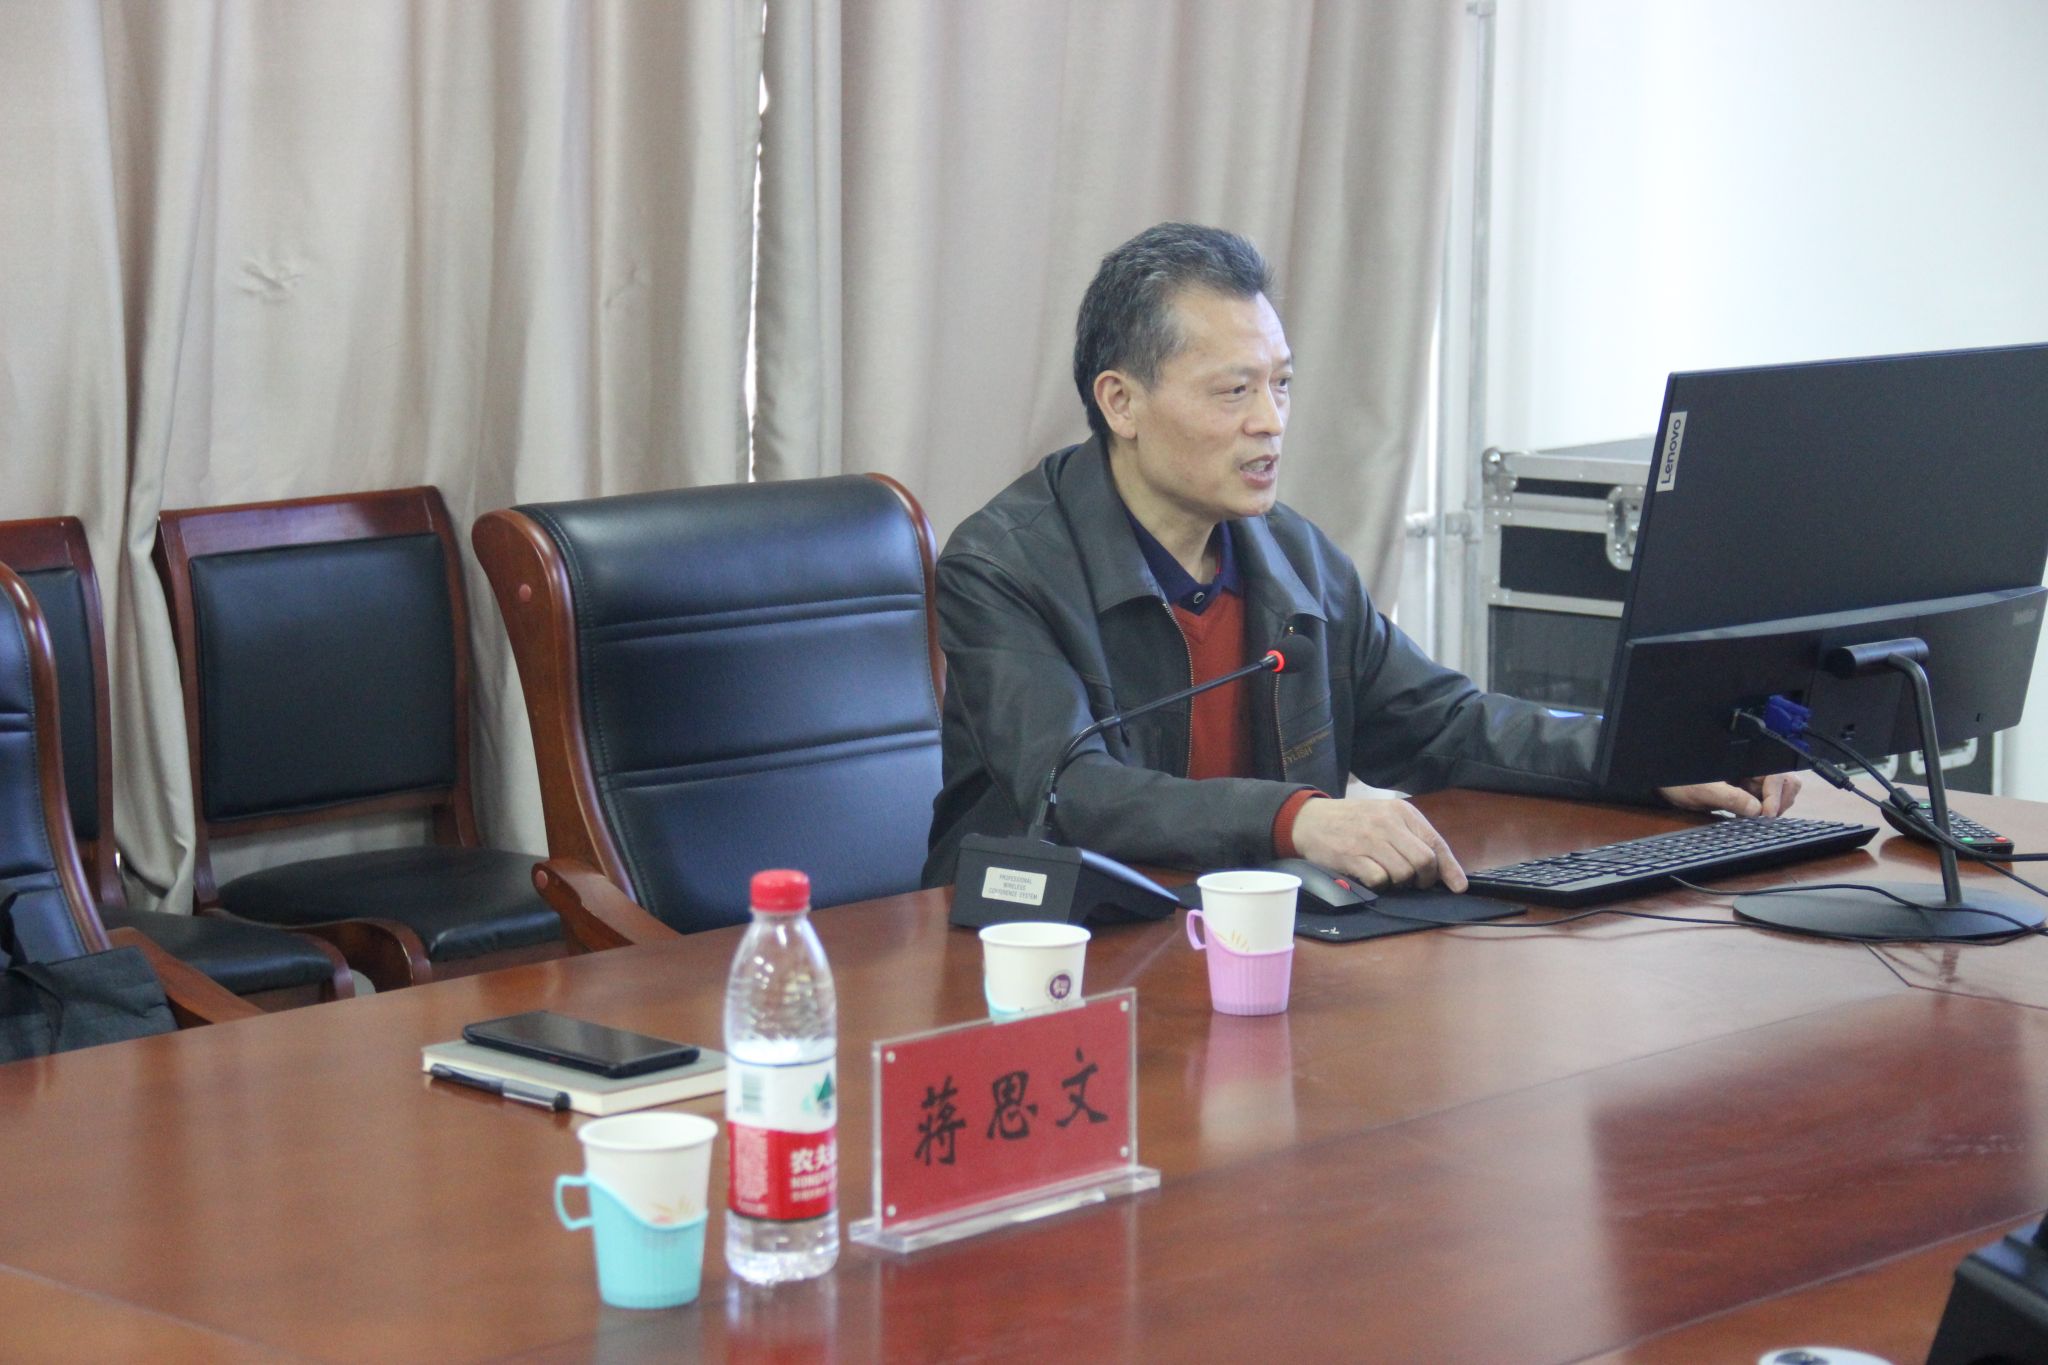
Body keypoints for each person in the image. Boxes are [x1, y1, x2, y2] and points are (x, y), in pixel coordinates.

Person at [922, 223, 1796, 892]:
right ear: (1121, 402)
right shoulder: (1002, 566)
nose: (1270, 421)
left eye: (1281, 383)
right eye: (1234, 390)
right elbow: (1073, 792)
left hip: (1251, 932)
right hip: (1039, 944)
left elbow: (1443, 725)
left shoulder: (1291, 555)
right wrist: (1300, 819)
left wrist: (1642, 758)